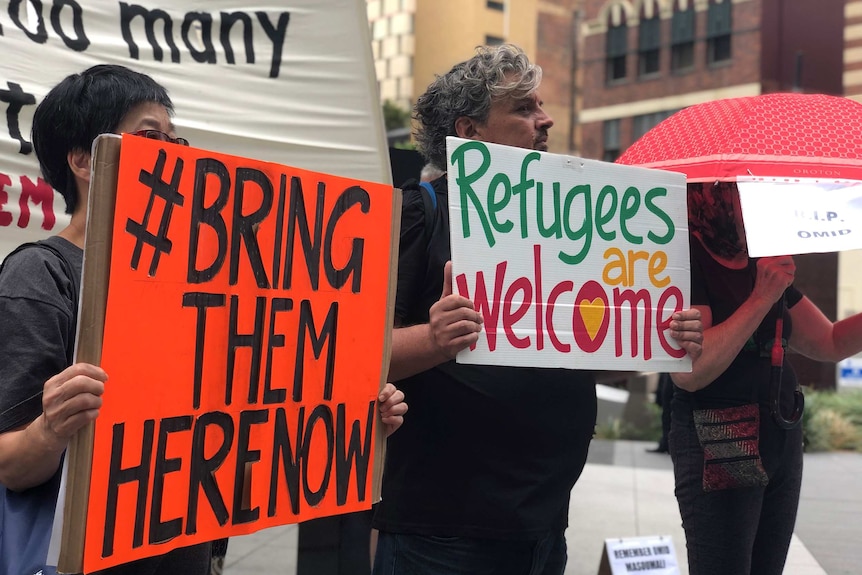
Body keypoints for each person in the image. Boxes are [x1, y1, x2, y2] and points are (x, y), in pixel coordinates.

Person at [371, 44, 703, 575]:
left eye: (540, 106)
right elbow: (351, 353)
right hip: (442, 531)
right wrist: (433, 340)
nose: (545, 120)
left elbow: (589, 353)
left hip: (544, 526)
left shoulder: (563, 221)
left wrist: (656, 334)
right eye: (524, 109)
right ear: (470, 129)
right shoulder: (419, 213)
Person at [0, 64, 210, 575]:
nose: (170, 155)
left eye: (174, 142)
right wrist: (51, 428)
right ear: (84, 160)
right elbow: (11, 463)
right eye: (149, 136)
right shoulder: (40, 276)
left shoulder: (196, 282)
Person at [669, 181, 862, 575]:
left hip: (781, 427)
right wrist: (760, 297)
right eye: (747, 194)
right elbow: (692, 372)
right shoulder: (688, 255)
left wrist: (769, 286)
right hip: (723, 427)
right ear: (715, 196)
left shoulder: (758, 260)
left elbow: (827, 342)